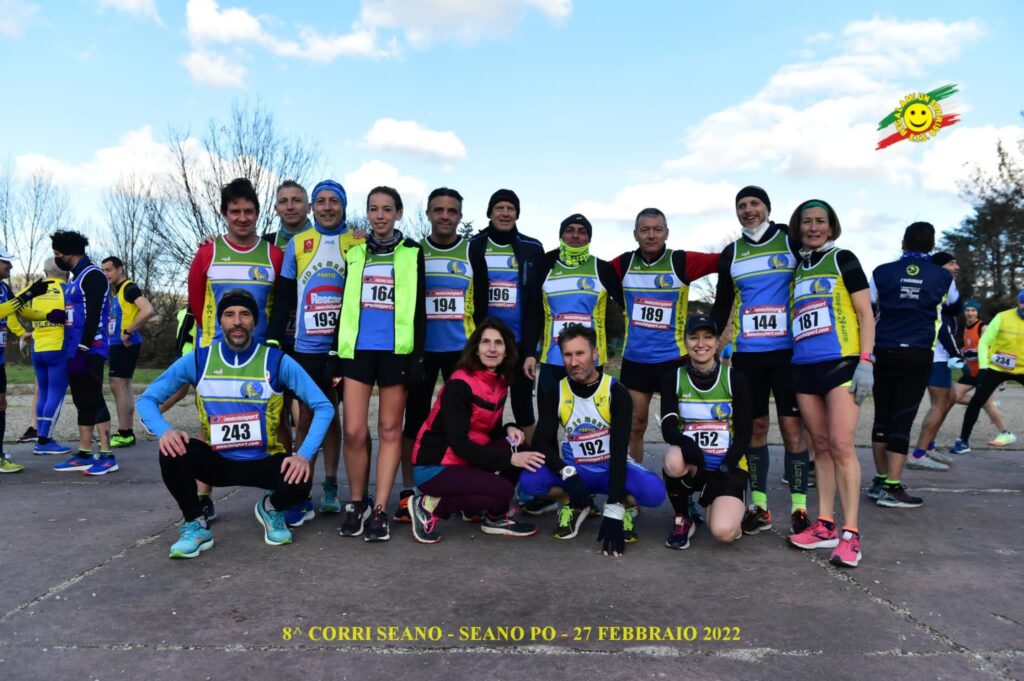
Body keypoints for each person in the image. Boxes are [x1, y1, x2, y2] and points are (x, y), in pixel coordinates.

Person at [137, 290, 334, 558]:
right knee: (171, 451)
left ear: (255, 321)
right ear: (220, 321)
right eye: (229, 315)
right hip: (217, 462)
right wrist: (165, 431)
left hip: (263, 461)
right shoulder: (199, 359)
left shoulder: (276, 361)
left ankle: (272, 508)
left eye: (245, 314)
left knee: (302, 476)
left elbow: (324, 406)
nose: (237, 321)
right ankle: (195, 524)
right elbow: (147, 399)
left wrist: (304, 454)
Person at [710, 186, 810, 535]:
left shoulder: (790, 241)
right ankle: (760, 506)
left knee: (793, 430)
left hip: (788, 354)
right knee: (754, 430)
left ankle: (799, 508)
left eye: (754, 203)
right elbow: (722, 303)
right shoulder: (732, 253)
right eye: (742, 205)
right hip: (749, 356)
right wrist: (709, 340)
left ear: (767, 207)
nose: (748, 209)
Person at [519, 324, 666, 555]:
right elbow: (540, 443)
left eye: (580, 353)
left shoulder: (616, 392)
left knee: (654, 492)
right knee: (529, 481)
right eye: (568, 355)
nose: (573, 361)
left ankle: (624, 507)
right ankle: (571, 502)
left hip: (611, 469)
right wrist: (567, 474)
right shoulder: (558, 391)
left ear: (595, 354)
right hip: (577, 470)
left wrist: (614, 510)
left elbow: (619, 451)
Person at [783, 200, 874, 567]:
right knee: (819, 445)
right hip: (804, 367)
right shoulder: (797, 270)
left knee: (840, 445)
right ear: (798, 228)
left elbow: (866, 313)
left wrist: (866, 362)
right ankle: (825, 525)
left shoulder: (843, 259)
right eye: (807, 222)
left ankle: (851, 534)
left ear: (832, 227)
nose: (814, 227)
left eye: (820, 221)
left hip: (841, 364)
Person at [331, 186, 425, 542]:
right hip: (357, 350)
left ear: (398, 213)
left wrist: (417, 356)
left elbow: (419, 306)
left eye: (387, 209)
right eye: (374, 209)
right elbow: (344, 303)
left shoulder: (412, 252)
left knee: (389, 430)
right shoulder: (354, 251)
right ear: (368, 213)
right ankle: (358, 502)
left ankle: (381, 509)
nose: (380, 215)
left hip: (395, 351)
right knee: (354, 430)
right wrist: (335, 353)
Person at [267, 179, 363, 524]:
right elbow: (284, 297)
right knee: (306, 419)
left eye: (333, 201)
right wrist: (273, 339)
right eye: (320, 201)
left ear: (343, 206)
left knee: (335, 417)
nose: (327, 207)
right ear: (313, 207)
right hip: (306, 347)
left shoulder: (357, 241)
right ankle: (301, 491)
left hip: (345, 348)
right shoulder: (298, 243)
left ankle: (332, 485)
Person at [399, 187, 489, 523]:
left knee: (466, 424)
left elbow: (482, 306)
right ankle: (409, 491)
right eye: (439, 210)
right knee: (416, 420)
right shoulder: (413, 251)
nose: (445, 216)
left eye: (452, 211)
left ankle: (465, 493)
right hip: (422, 351)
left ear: (460, 216)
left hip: (461, 353)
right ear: (428, 214)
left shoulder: (472, 252)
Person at [409, 318, 542, 543]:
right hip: (434, 467)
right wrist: (509, 460)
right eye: (486, 342)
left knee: (518, 447)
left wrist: (509, 428)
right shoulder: (460, 384)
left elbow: (488, 431)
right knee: (503, 490)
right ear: (476, 349)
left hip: (462, 460)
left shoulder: (499, 381)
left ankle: (495, 516)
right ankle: (428, 505)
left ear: (507, 351)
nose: (492, 348)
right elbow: (459, 443)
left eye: (498, 343)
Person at [609, 207, 719, 465]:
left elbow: (724, 260)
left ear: (666, 233)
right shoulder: (623, 264)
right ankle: (634, 482)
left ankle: (686, 480)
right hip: (636, 361)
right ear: (635, 234)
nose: (651, 235)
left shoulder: (680, 261)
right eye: (645, 230)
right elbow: (591, 273)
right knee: (635, 425)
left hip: (673, 360)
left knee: (681, 426)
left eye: (657, 229)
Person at [868, 221, 957, 508]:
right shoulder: (943, 276)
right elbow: (953, 304)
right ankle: (892, 488)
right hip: (918, 351)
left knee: (882, 416)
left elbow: (869, 306)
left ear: (903, 243)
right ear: (932, 246)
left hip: (884, 349)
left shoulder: (881, 271)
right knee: (902, 419)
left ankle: (881, 480)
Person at [660, 315, 752, 549]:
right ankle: (683, 516)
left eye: (708, 337)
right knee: (673, 459)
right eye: (694, 338)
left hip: (727, 467)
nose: (701, 344)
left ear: (717, 342)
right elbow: (668, 427)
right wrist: (687, 445)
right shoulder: (673, 377)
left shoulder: (735, 378)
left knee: (723, 533)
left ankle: (722, 508)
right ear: (685, 341)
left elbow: (744, 434)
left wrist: (725, 468)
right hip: (694, 464)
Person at [468, 190, 545, 441]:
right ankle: (490, 458)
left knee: (524, 407)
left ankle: (529, 458)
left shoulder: (532, 248)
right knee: (487, 407)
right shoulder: (473, 246)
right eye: (499, 208)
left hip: (519, 343)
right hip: (486, 344)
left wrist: (531, 350)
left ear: (517, 214)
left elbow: (536, 304)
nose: (505, 213)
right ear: (489, 213)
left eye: (510, 208)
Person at [524, 213, 623, 401]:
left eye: (582, 231)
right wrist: (529, 353)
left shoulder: (602, 269)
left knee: (588, 417)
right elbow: (534, 314)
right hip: (553, 359)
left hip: (590, 361)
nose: (575, 235)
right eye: (569, 231)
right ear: (561, 236)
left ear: (589, 238)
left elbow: (628, 305)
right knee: (548, 416)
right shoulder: (546, 266)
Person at [48, 231, 117, 476]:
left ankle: (107, 455)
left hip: (90, 349)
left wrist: (84, 348)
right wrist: (62, 316)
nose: (56, 258)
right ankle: (84, 452)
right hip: (73, 348)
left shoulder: (93, 275)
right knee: (81, 401)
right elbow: (79, 310)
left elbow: (95, 314)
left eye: (58, 254)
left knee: (94, 398)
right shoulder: (74, 278)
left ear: (69, 253)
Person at [187, 178, 284, 349]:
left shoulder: (274, 255)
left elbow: (280, 306)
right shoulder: (207, 252)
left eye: (248, 211)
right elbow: (197, 304)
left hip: (260, 351)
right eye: (235, 211)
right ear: (224, 213)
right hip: (213, 350)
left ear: (257, 213)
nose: (243, 218)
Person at [906, 252, 963, 471]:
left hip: (940, 355)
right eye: (951, 263)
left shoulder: (943, 286)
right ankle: (918, 454)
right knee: (939, 404)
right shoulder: (938, 286)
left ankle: (928, 445)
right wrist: (956, 354)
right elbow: (942, 328)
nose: (956, 266)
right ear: (939, 267)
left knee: (950, 398)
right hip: (936, 355)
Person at [13, 258, 72, 456]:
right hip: (59, 347)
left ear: (45, 273)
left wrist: (22, 332)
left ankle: (42, 437)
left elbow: (13, 306)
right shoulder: (68, 289)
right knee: (55, 392)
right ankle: (45, 441)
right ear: (67, 273)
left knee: (43, 392)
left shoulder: (35, 289)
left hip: (37, 347)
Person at [0, 248, 51, 473]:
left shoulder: (4, 288)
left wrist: (48, 316)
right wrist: (28, 293)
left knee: (1, 406)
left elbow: (19, 310)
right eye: (6, 262)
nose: (10, 266)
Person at [954, 290, 1024, 453]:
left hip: (1022, 368)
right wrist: (984, 367)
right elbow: (984, 342)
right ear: (1018, 302)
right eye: (1022, 302)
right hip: (996, 367)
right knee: (976, 402)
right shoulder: (1003, 317)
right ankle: (963, 441)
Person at [101, 256, 155, 449]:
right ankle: (127, 432)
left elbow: (147, 310)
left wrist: (128, 331)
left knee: (118, 385)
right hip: (118, 344)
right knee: (122, 386)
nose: (106, 274)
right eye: (103, 270)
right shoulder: (118, 291)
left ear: (120, 269)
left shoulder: (129, 288)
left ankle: (125, 433)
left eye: (109, 269)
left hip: (125, 344)